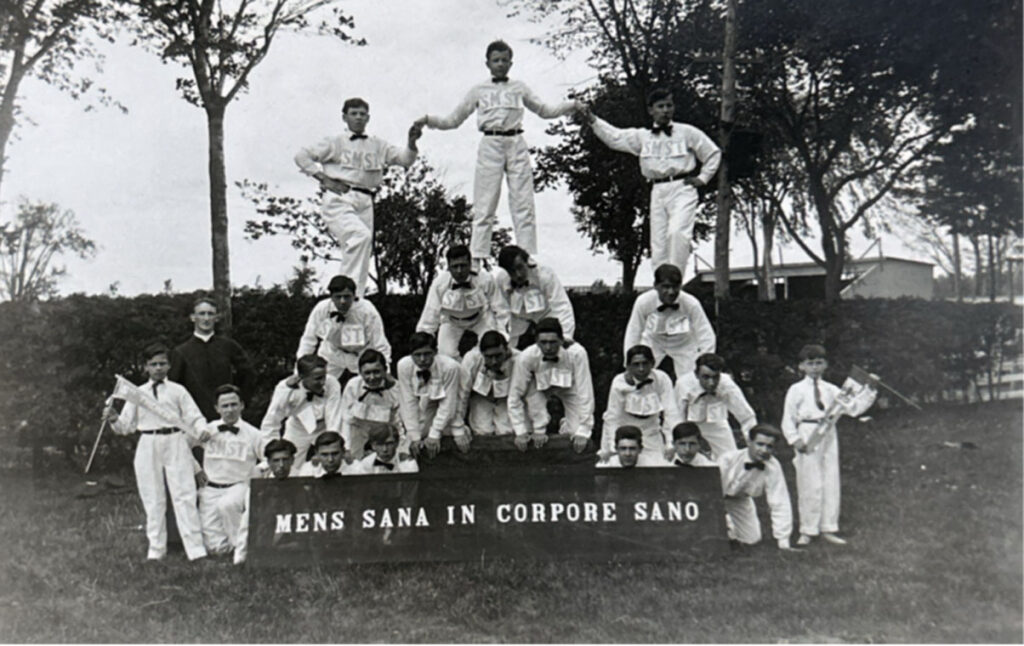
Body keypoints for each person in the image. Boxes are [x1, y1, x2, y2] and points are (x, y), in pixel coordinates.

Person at [414, 40, 582, 266]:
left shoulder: (519, 87)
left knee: (523, 201)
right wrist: (428, 120)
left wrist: (572, 105)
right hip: (490, 143)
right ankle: (477, 258)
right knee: (485, 203)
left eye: (504, 60)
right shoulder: (478, 91)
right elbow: (453, 120)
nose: (500, 64)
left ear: (511, 63)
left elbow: (545, 110)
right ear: (488, 63)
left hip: (516, 142)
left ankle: (526, 255)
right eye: (496, 60)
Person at [584, 87, 721, 277]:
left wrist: (703, 177)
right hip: (657, 190)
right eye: (660, 106)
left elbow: (712, 153)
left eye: (669, 106)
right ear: (651, 110)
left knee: (677, 234)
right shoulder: (642, 136)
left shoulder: (687, 132)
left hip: (682, 188)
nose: (665, 110)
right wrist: (593, 120)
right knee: (659, 243)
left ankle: (675, 282)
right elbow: (615, 137)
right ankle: (661, 287)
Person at [295, 98, 422, 296]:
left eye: (362, 114)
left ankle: (355, 298)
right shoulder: (335, 141)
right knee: (359, 237)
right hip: (340, 198)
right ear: (344, 117)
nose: (358, 117)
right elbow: (302, 156)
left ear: (368, 117)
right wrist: (323, 178)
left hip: (366, 200)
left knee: (361, 249)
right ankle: (344, 294)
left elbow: (405, 159)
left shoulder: (377, 144)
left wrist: (412, 142)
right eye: (353, 113)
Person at [103, 343, 208, 561]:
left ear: (169, 365)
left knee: (184, 495)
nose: (158, 368)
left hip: (175, 441)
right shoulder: (138, 393)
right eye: (153, 364)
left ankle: (196, 550)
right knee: (152, 497)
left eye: (162, 363)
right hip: (148, 443)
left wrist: (202, 430)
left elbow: (194, 417)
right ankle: (156, 549)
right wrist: (114, 418)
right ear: (146, 367)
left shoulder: (178, 391)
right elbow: (126, 426)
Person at [781, 344, 847, 546]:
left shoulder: (831, 389)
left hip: (827, 432)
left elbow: (850, 407)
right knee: (809, 482)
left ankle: (828, 527)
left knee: (830, 479)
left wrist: (868, 391)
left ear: (825, 364)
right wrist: (795, 439)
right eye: (810, 364)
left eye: (819, 363)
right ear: (801, 366)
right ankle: (808, 529)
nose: (815, 368)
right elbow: (788, 418)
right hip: (807, 433)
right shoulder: (796, 390)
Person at [194, 384, 262, 557]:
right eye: (225, 406)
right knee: (215, 549)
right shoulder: (208, 430)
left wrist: (257, 472)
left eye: (234, 404)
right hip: (210, 488)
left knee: (228, 505)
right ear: (217, 408)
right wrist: (196, 469)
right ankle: (228, 547)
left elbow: (269, 457)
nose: (230, 410)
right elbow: (181, 445)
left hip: (238, 486)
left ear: (242, 405)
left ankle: (243, 548)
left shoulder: (253, 434)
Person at [507, 317, 593, 454]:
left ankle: (567, 424)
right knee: (529, 433)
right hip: (538, 388)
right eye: (543, 342)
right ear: (536, 342)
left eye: (553, 342)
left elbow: (585, 391)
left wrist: (584, 429)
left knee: (577, 432)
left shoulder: (577, 353)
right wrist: (520, 430)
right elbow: (515, 395)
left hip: (569, 387)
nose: (548, 348)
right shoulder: (526, 357)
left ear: (561, 340)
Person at [622, 263, 716, 381]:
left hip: (683, 344)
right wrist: (628, 364)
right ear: (656, 285)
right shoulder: (643, 302)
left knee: (691, 381)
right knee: (639, 374)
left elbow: (706, 334)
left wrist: (705, 363)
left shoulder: (691, 303)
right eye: (665, 287)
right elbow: (633, 332)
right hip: (654, 342)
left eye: (675, 287)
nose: (671, 292)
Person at [295, 275, 391, 389]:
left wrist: (386, 371)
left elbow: (380, 342)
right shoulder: (322, 309)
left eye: (347, 297)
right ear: (331, 297)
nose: (342, 301)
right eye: (338, 297)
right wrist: (299, 372)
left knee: (371, 387)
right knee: (315, 385)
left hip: (360, 354)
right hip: (331, 353)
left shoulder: (367, 311)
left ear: (354, 295)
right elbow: (308, 340)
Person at [169, 296, 254, 422]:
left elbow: (248, 375)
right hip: (195, 419)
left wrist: (239, 403)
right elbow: (174, 386)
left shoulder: (229, 346)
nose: (206, 318)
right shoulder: (181, 351)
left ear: (217, 317)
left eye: (210, 314)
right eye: (202, 314)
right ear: (193, 317)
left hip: (227, 417)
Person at [417, 244, 511, 358]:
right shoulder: (440, 284)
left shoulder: (486, 279)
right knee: (446, 354)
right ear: (449, 267)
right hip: (451, 320)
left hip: (481, 318)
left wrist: (502, 336)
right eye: (455, 266)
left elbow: (501, 309)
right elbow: (430, 312)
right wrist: (421, 342)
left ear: (470, 265)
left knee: (488, 349)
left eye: (463, 265)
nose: (459, 271)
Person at [718, 424, 798, 551]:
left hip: (740, 500)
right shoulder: (728, 459)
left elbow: (779, 501)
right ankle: (727, 525)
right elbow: (710, 491)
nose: (764, 450)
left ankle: (731, 529)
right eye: (760, 444)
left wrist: (783, 540)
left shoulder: (773, 466)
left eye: (769, 446)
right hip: (716, 499)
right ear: (749, 442)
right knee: (714, 538)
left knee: (752, 539)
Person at [259, 354, 343, 475]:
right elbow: (271, 422)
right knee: (289, 465)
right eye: (318, 378)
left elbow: (334, 418)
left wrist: (329, 445)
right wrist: (271, 451)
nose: (323, 382)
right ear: (302, 377)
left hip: (324, 427)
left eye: (324, 376)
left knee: (332, 460)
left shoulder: (332, 383)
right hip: (297, 428)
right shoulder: (285, 390)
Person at [600, 344, 681, 463]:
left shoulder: (661, 379)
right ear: (628, 366)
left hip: (651, 433)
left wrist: (671, 442)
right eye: (636, 364)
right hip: (624, 434)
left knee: (657, 468)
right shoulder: (618, 383)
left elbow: (671, 412)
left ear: (653, 363)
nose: (641, 369)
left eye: (645, 363)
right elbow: (613, 417)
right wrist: (613, 444)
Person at [676, 353, 757, 460]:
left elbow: (746, 416)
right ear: (696, 374)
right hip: (690, 424)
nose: (711, 383)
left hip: (717, 423)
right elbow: (677, 416)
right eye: (706, 377)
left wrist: (753, 444)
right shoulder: (683, 384)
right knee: (681, 458)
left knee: (731, 459)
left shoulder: (727, 384)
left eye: (715, 377)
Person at [493, 245, 576, 349]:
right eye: (512, 271)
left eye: (520, 267)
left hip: (546, 313)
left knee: (554, 344)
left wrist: (565, 336)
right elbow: (501, 311)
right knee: (502, 346)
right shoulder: (501, 279)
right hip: (518, 316)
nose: (518, 275)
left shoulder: (545, 275)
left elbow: (561, 306)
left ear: (527, 262)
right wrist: (503, 339)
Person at [396, 332, 464, 459]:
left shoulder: (450, 367)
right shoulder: (403, 365)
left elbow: (449, 403)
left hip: (453, 401)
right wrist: (414, 435)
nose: (422, 359)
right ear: (411, 355)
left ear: (435, 352)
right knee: (419, 437)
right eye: (417, 355)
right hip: (427, 400)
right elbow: (408, 401)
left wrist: (435, 434)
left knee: (450, 435)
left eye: (427, 354)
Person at [233, 438, 295, 565]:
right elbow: (247, 522)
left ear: (292, 460)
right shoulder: (260, 487)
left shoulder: (303, 477)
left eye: (285, 460)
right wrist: (240, 557)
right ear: (269, 463)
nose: (281, 465)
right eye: (276, 461)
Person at [340, 349, 404, 460]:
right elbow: (346, 419)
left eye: (376, 371)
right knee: (353, 463)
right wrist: (346, 447)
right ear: (360, 372)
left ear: (385, 370)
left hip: (384, 432)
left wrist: (402, 447)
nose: (372, 377)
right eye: (367, 373)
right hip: (358, 431)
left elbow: (398, 422)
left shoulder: (395, 389)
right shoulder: (353, 386)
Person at [457, 331, 519, 440]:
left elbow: (529, 394)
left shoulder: (520, 360)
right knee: (482, 432)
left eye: (498, 356)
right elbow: (462, 394)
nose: (494, 361)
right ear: (481, 353)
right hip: (480, 398)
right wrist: (458, 426)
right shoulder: (471, 359)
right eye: (489, 357)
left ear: (506, 349)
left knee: (507, 432)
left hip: (508, 400)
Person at [350, 424, 419, 474]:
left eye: (389, 443)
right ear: (373, 446)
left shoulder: (407, 463)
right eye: (379, 444)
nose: (384, 449)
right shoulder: (366, 464)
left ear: (397, 443)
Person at [596, 426, 667, 468]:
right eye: (623, 449)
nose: (628, 454)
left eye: (632, 449)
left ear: (640, 449)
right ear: (616, 449)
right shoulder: (606, 466)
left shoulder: (651, 466)